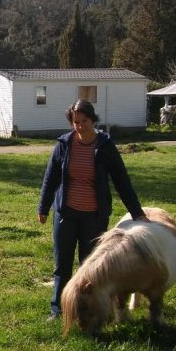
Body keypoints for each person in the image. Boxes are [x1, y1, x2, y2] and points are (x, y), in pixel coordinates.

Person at [37, 99, 147, 321]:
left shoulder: (105, 146)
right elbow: (50, 178)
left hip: (94, 218)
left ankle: (85, 309)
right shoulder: (64, 144)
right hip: (65, 215)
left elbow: (121, 181)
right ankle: (57, 309)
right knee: (62, 266)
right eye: (75, 122)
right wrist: (44, 207)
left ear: (92, 119)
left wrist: (137, 213)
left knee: (89, 268)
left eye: (84, 121)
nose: (79, 126)